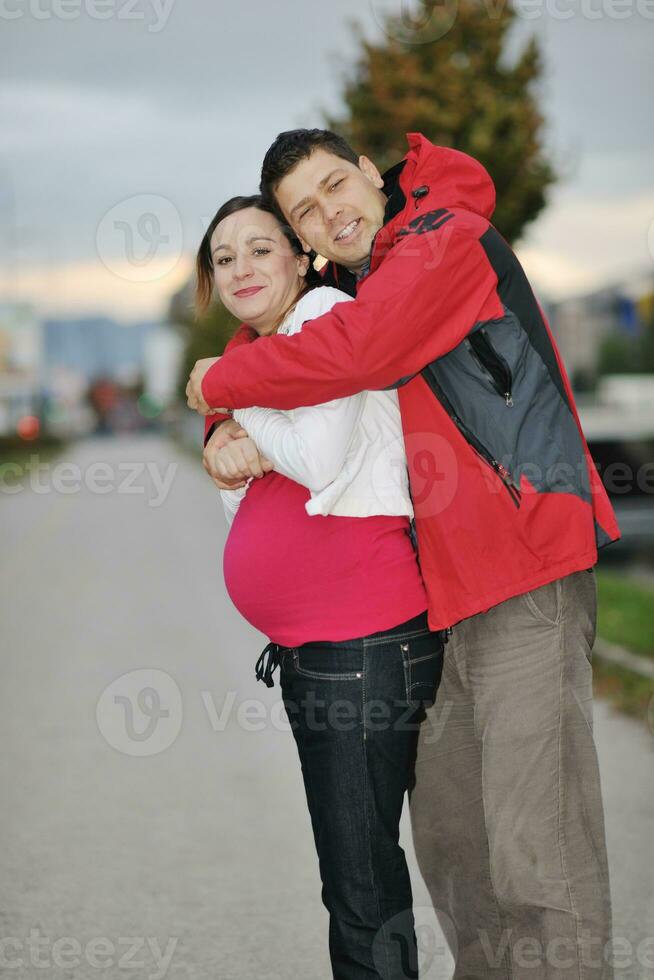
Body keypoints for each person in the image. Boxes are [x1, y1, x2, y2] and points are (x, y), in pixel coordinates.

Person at [187, 131, 620, 980]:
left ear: (373, 176)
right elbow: (284, 343)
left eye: (336, 185)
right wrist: (220, 422)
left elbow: (356, 353)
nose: (328, 211)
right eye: (306, 210)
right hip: (435, 592)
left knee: (539, 841)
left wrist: (220, 389)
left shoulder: (444, 240)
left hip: (522, 565)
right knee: (456, 845)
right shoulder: (357, 277)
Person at [196, 192, 446, 980]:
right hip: (324, 650)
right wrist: (227, 441)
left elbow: (318, 457)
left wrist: (233, 397)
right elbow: (252, 490)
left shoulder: (324, 316)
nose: (240, 267)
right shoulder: (263, 352)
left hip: (362, 643)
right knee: (352, 875)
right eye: (224, 256)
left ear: (303, 259)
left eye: (260, 248)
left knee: (361, 886)